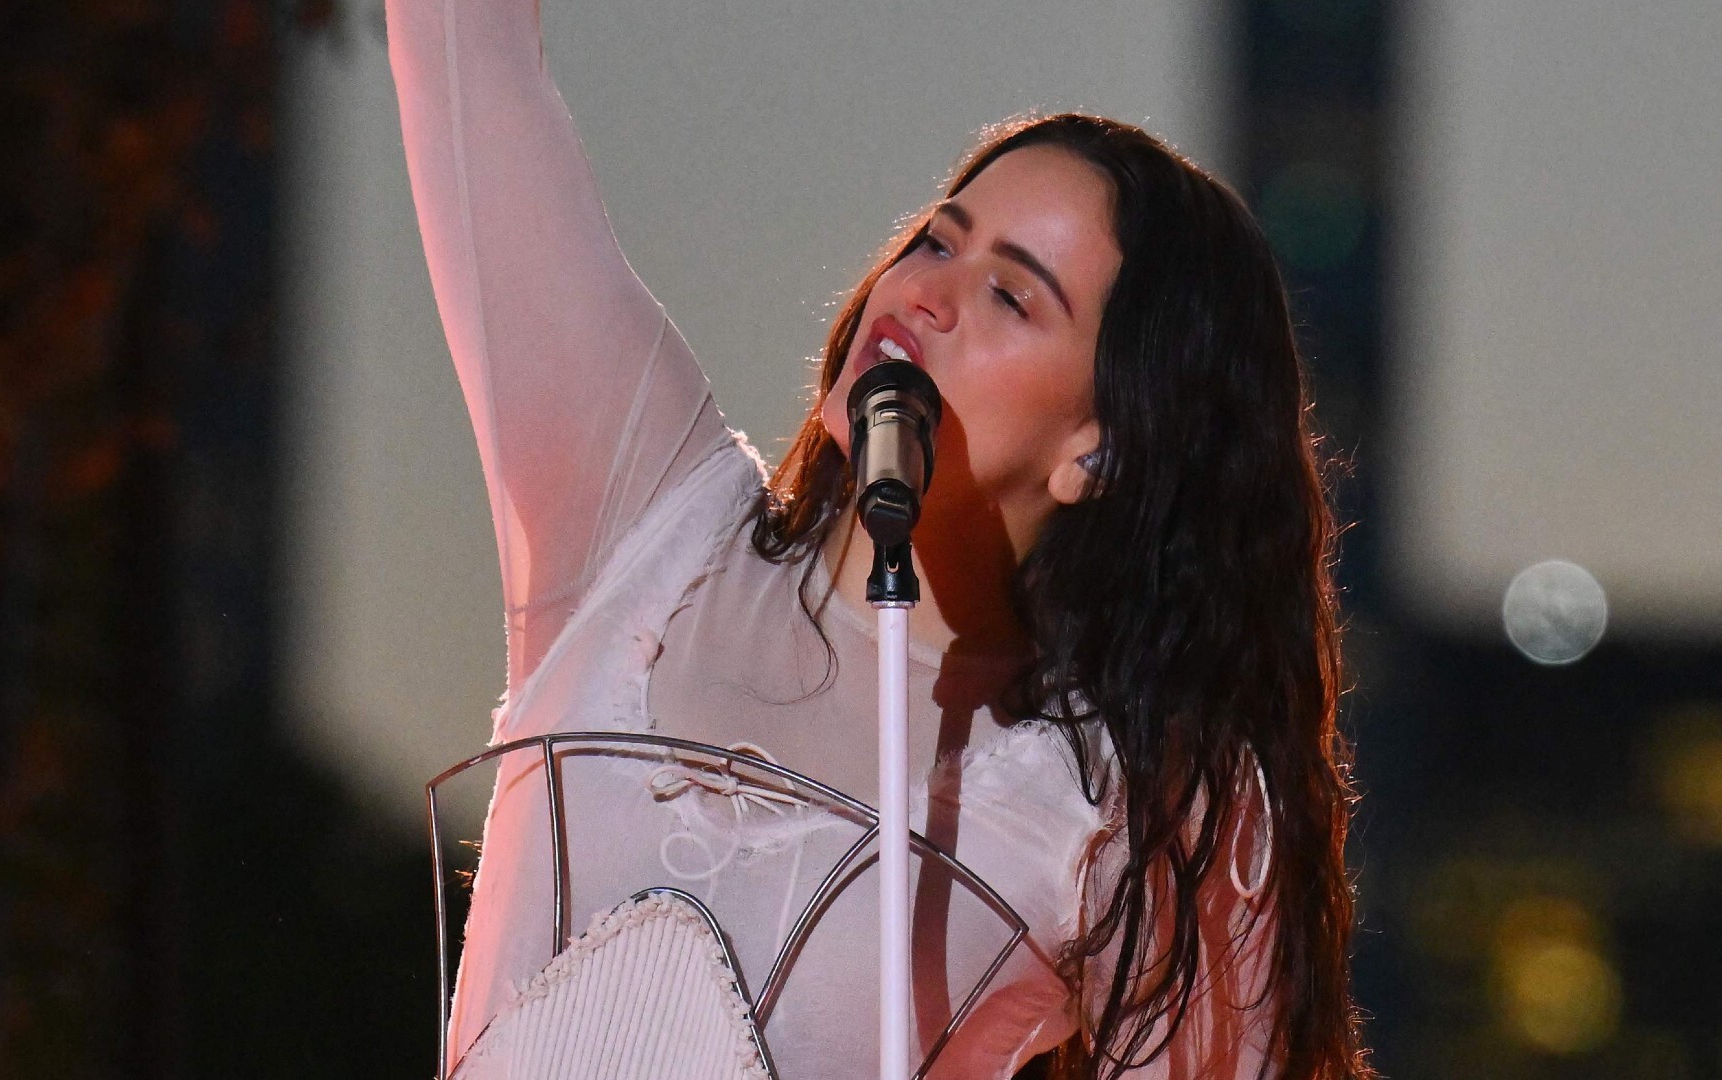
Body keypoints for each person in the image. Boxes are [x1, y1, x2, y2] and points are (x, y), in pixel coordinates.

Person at [387, 0, 1370, 1076]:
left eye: (1010, 295)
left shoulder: (1125, 800)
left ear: (1100, 450)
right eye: (938, 239)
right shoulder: (646, 530)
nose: (929, 293)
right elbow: (461, 53)